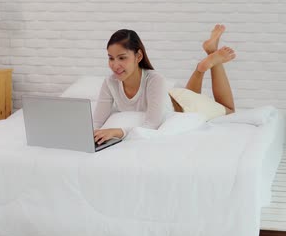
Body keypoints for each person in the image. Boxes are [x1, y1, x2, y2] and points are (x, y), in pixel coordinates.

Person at [93, 24, 236, 145]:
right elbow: (98, 121)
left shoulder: (154, 79)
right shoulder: (110, 82)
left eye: (122, 58)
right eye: (111, 58)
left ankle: (209, 58)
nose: (115, 65)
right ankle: (202, 65)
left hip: (185, 107)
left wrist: (118, 132)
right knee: (190, 93)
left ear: (138, 56)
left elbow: (151, 125)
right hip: (172, 98)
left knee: (229, 110)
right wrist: (90, 136)